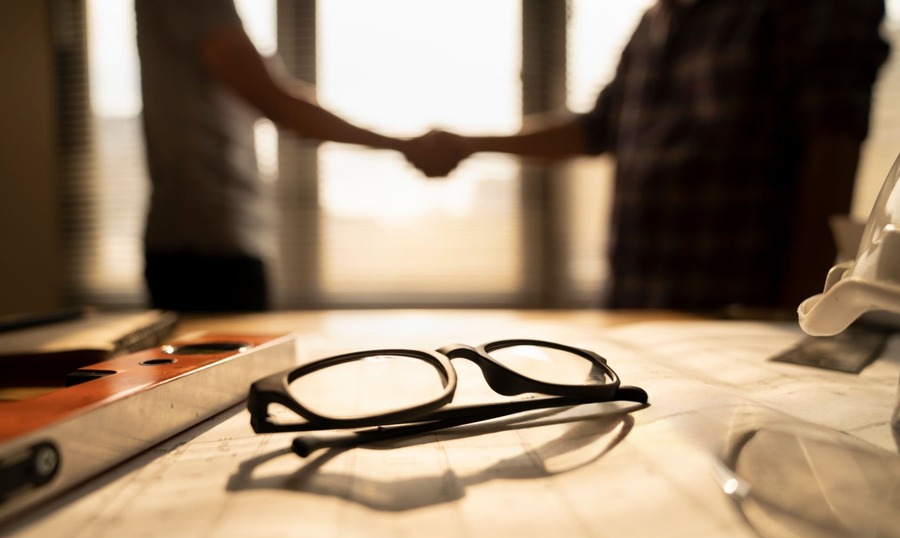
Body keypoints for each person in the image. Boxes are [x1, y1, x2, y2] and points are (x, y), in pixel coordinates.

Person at [427, 0, 890, 314]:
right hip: (641, 310)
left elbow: (833, 146)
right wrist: (468, 144)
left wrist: (799, 307)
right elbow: (595, 128)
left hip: (742, 314)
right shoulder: (655, 21)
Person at [135, 0, 454, 312]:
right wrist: (405, 145)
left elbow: (280, 97)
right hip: (202, 250)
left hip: (213, 241)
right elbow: (277, 104)